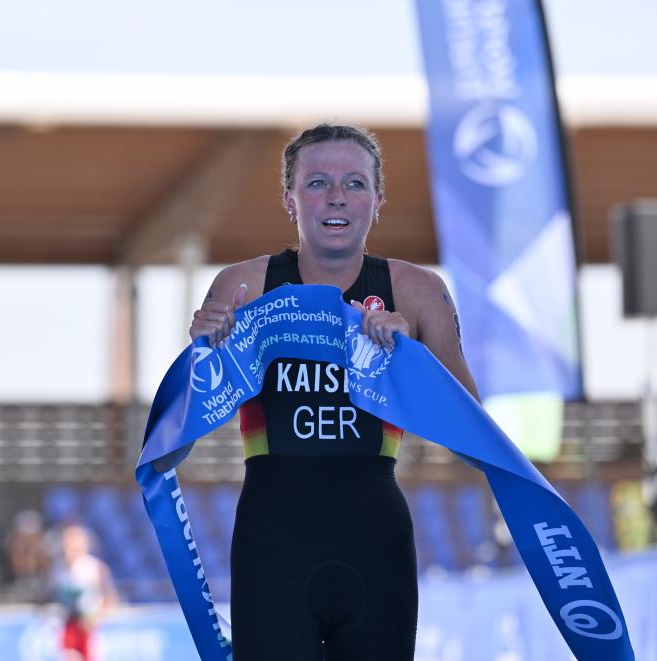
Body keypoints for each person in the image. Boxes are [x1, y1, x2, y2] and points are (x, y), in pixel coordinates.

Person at [186, 124, 481, 660]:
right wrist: (205, 356)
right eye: (318, 182)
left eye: (355, 183)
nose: (337, 196)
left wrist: (407, 363)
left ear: (378, 199)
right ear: (289, 198)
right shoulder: (243, 287)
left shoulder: (417, 292)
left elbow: (472, 440)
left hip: (376, 544)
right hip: (273, 545)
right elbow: (181, 430)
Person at [49, 523, 118, 661]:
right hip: (67, 627)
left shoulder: (95, 568)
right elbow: (53, 598)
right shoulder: (57, 570)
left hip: (89, 628)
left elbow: (110, 598)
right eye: (67, 545)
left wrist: (97, 617)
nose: (69, 550)